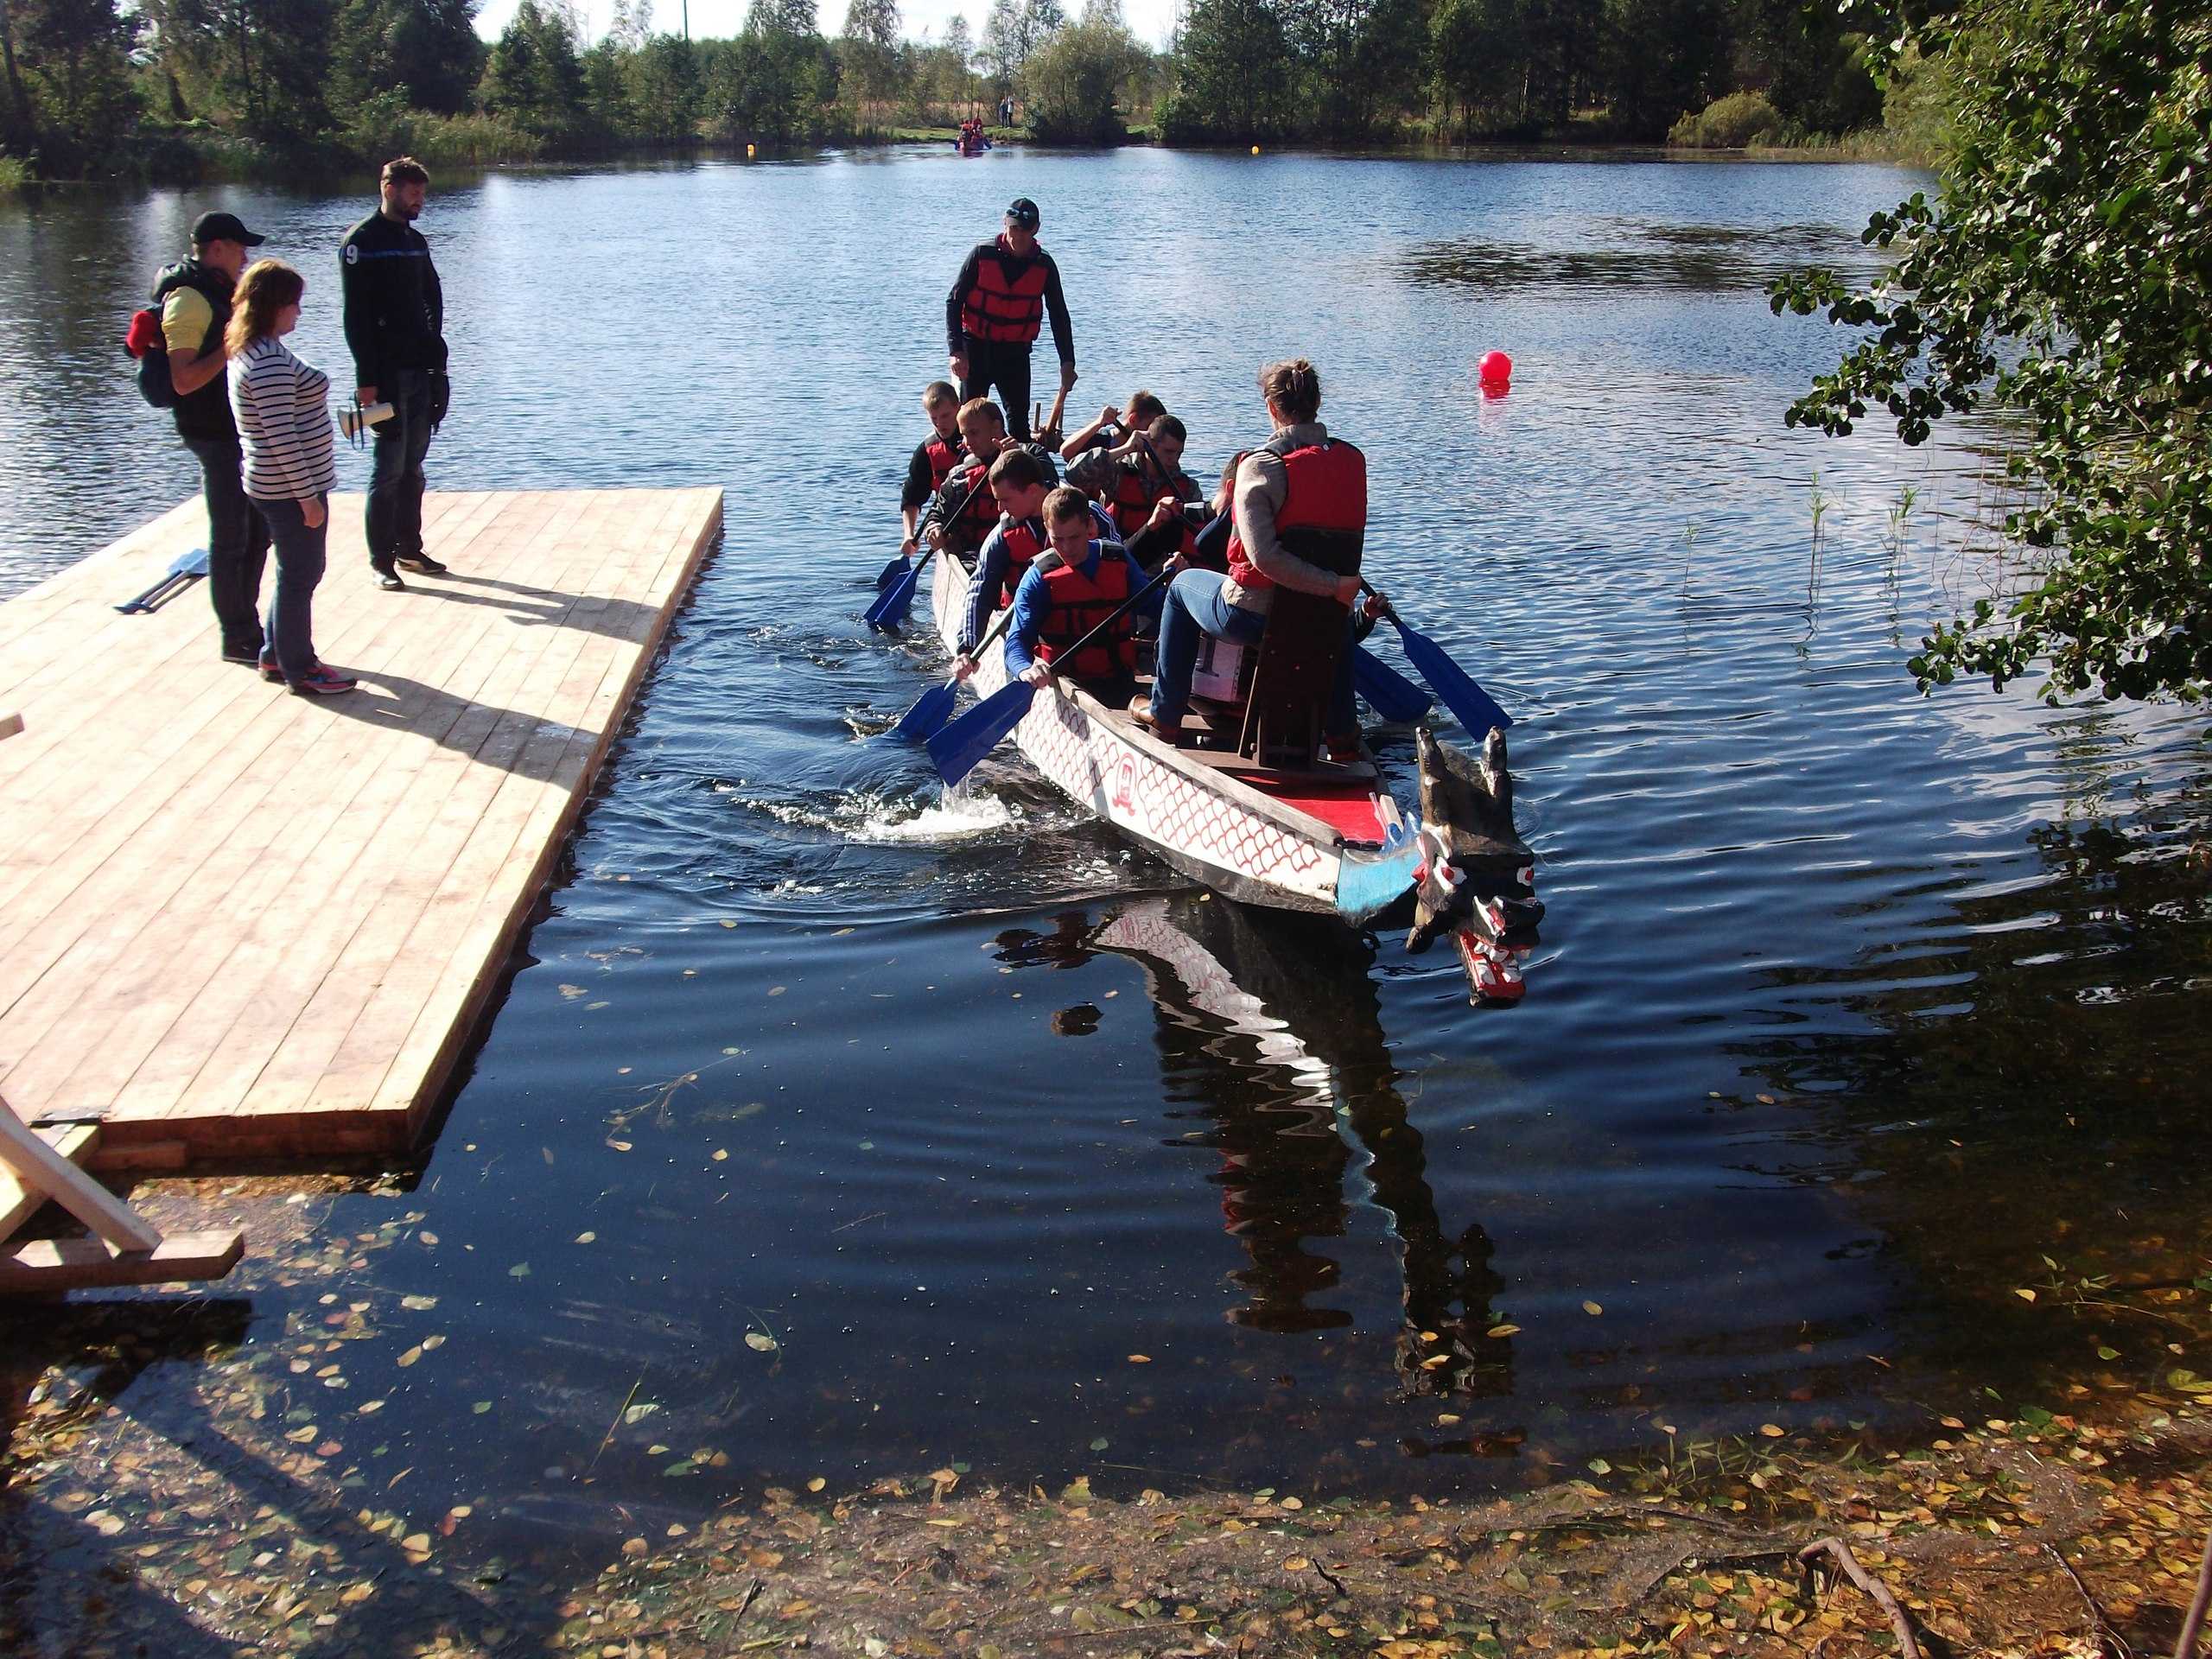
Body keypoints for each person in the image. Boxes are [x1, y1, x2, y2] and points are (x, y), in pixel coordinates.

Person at [1137, 359, 1379, 755]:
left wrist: (1332, 585)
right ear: (1317, 402)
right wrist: (1334, 589)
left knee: (1181, 587)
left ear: (1271, 408)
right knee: (1328, 624)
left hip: (1253, 614)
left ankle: (1165, 717)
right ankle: (1341, 737)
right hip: (1325, 613)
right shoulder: (1353, 461)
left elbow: (1263, 557)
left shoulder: (1261, 465)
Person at [226, 260, 355, 696]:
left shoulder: (252, 350)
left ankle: (274, 653)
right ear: (274, 306)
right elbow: (282, 439)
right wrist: (308, 499)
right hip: (289, 489)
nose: (299, 312)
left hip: (272, 485)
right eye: (294, 305)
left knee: (292, 572)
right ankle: (301, 667)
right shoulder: (267, 365)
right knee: (303, 574)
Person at [154, 210, 271, 666]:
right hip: (212, 434)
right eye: (240, 248)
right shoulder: (187, 299)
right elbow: (182, 380)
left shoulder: (218, 291)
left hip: (235, 432)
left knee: (258, 530)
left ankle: (249, 624)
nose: (245, 257)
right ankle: (236, 635)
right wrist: (231, 346)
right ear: (217, 247)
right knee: (230, 536)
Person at [342, 155, 449, 591]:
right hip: (384, 374)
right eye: (413, 192)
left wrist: (436, 359)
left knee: (414, 467)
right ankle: (380, 560)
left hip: (419, 370)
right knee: (387, 469)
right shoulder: (361, 242)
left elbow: (432, 298)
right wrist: (366, 378)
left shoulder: (416, 241)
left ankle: (409, 547)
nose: (420, 200)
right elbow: (356, 317)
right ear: (389, 188)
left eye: (422, 192)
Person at [970, 486, 1154, 697]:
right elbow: (1017, 641)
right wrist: (1025, 669)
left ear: (1090, 526)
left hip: (1119, 678)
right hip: (1065, 681)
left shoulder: (1118, 560)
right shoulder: (1038, 577)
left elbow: (1155, 605)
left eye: (1074, 537)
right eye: (1058, 539)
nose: (1067, 548)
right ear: (1048, 531)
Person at [946, 198, 1076, 442]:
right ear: (1005, 224)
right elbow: (954, 302)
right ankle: (965, 473)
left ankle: (1020, 474)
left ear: (1035, 229)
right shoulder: (982, 254)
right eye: (1013, 228)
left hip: (1014, 354)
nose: (1018, 236)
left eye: (1025, 230)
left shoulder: (1044, 264)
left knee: (1018, 427)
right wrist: (956, 351)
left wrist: (1067, 362)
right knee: (969, 422)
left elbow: (1059, 315)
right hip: (976, 347)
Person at [922, 398, 1056, 560]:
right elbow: (937, 513)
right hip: (974, 555)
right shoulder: (960, 475)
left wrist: (1021, 460)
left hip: (1034, 549)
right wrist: (934, 529)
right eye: (964, 435)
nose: (968, 442)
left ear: (996, 427)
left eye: (974, 433)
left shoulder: (1033, 453)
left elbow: (1052, 488)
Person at [957, 447, 1053, 656]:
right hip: (1023, 630)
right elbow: (980, 590)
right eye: (997, 500)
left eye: (1006, 500)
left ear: (1033, 491)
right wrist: (967, 648)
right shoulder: (1001, 535)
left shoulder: (1085, 517)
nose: (1000, 508)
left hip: (1075, 631)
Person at [1070, 412, 1202, 543]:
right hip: (1117, 553)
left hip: (1160, 559)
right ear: (1150, 444)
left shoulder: (1188, 487)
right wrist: (1125, 448)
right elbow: (1073, 474)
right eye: (1169, 452)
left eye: (1179, 453)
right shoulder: (1118, 472)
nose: (1174, 460)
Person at [899, 381, 965, 556]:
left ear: (958, 408)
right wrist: (909, 534)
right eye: (934, 418)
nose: (939, 424)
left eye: (945, 416)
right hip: (949, 527)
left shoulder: (978, 436)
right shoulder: (927, 450)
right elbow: (912, 498)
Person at [1058, 390, 1165, 462]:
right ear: (1133, 419)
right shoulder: (1101, 440)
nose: (1153, 434)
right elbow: (1066, 452)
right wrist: (1099, 423)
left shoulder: (1148, 450)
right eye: (1150, 427)